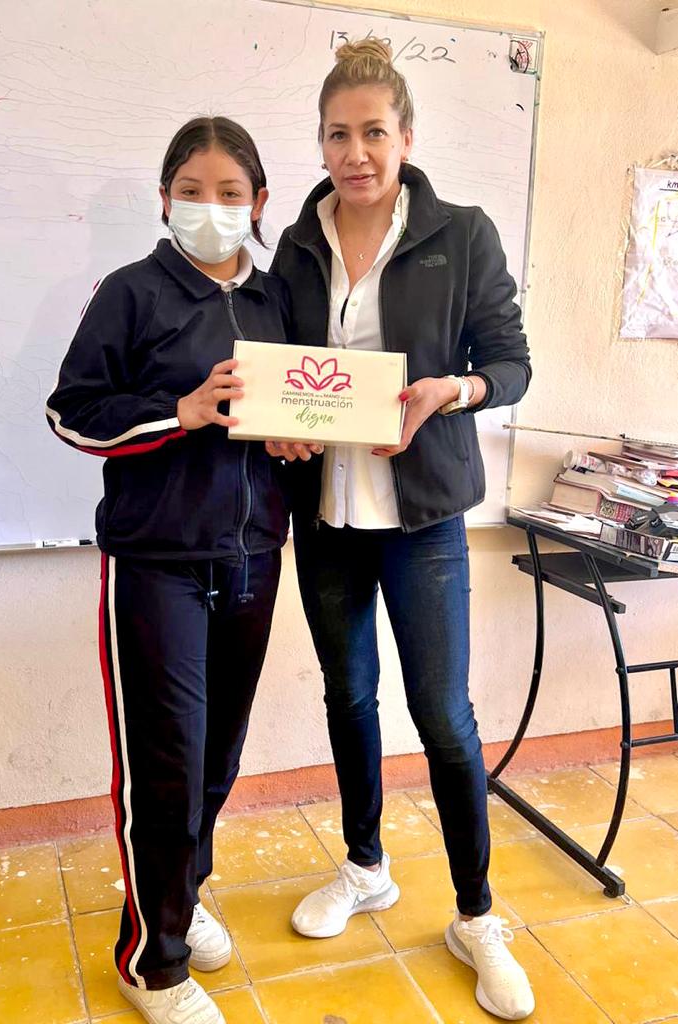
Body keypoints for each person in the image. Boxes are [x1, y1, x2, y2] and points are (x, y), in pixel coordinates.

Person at [268, 40, 535, 1021]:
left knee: (443, 717)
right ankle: (365, 864)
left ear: (406, 138)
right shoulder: (295, 244)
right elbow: (276, 364)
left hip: (422, 520)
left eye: (374, 132)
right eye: (338, 134)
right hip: (328, 517)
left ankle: (476, 913)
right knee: (348, 696)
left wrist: (450, 391)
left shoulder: (461, 234)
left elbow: (509, 363)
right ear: (321, 142)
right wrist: (277, 423)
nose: (356, 152)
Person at [46, 116, 292, 1024]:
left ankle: (178, 899)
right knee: (165, 766)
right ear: (164, 198)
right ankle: (152, 963)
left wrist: (296, 438)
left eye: (230, 193)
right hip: (157, 564)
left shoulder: (275, 302)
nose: (211, 208)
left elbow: (293, 412)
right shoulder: (131, 292)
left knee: (217, 758)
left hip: (253, 557)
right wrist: (179, 412)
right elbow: (71, 413)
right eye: (192, 190)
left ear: (258, 203)